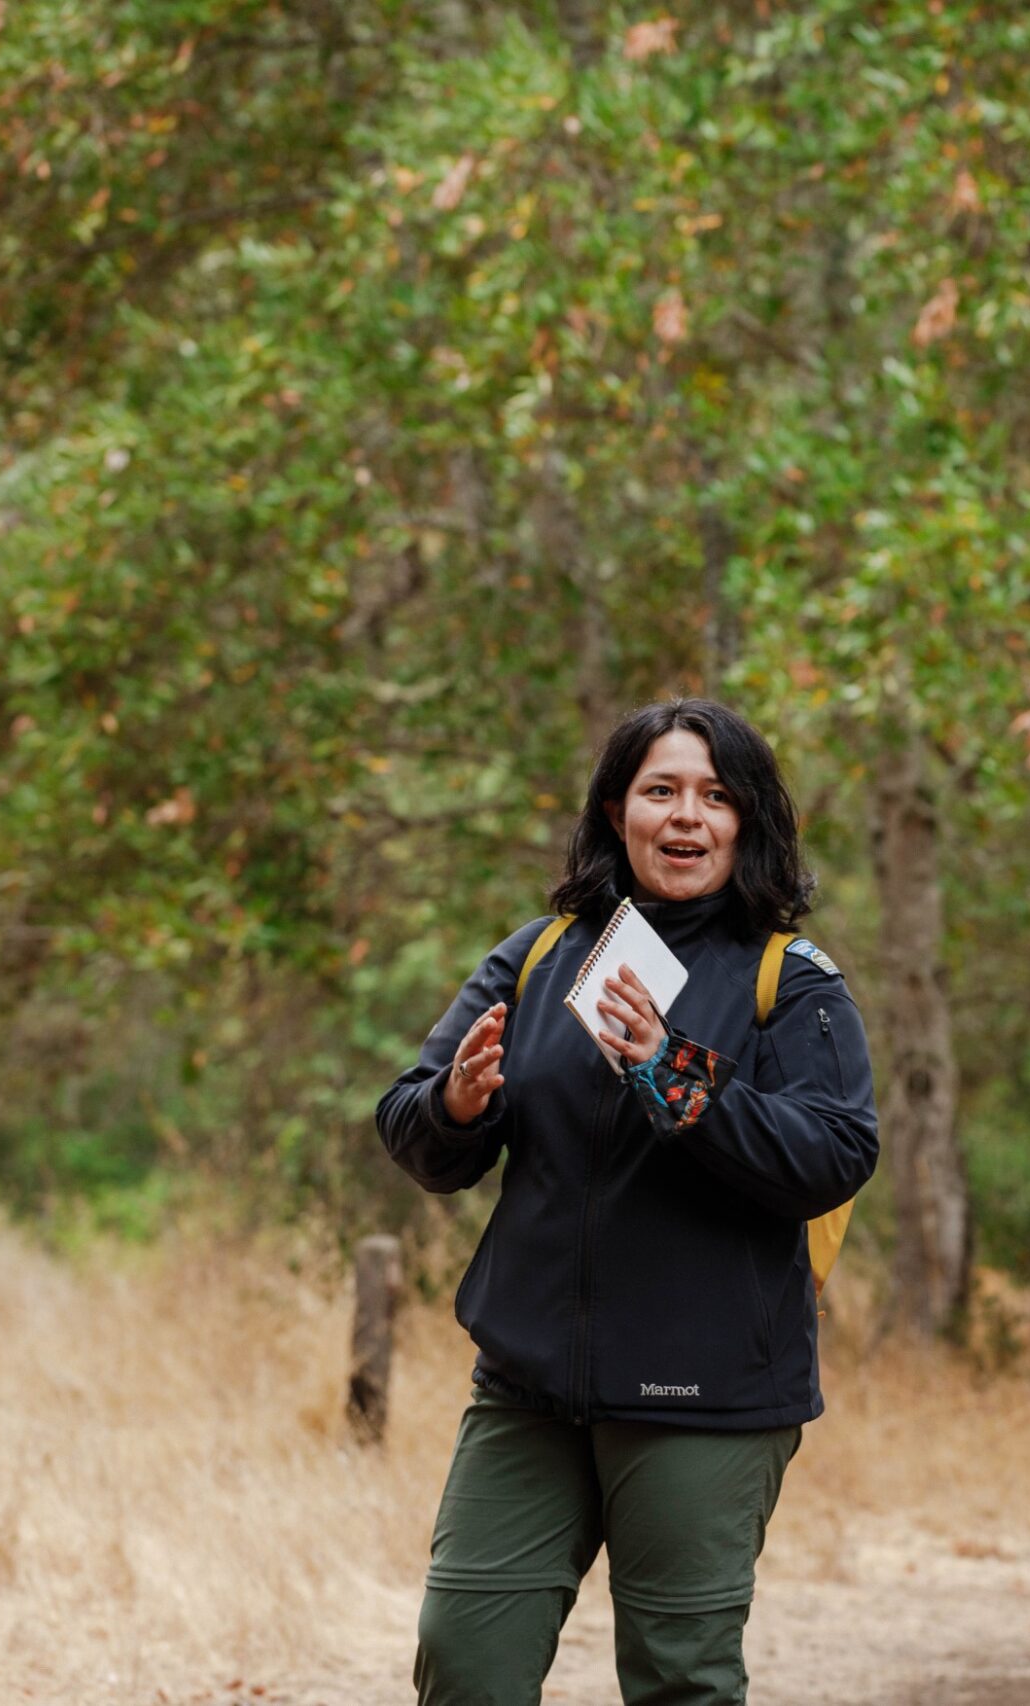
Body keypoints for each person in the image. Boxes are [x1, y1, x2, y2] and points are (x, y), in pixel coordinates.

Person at [376, 698, 878, 1706]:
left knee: (678, 1681)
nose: (687, 816)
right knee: (463, 1662)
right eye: (661, 790)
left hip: (703, 1397)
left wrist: (672, 1070)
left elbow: (834, 1150)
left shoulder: (792, 981)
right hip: (528, 1386)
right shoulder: (539, 954)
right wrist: (457, 1102)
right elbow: (412, 1123)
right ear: (618, 810)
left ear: (748, 823)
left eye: (716, 795)